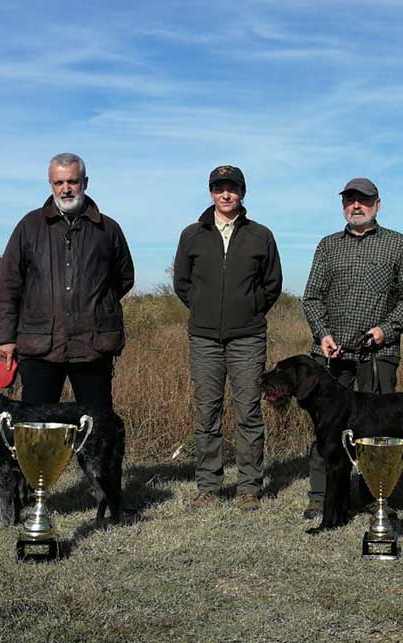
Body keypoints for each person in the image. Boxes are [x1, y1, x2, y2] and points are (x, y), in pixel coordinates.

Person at [301, 177, 403, 520]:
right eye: (350, 200)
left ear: (377, 205)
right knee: (326, 429)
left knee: (379, 431)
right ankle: (320, 495)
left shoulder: (396, 244)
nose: (357, 206)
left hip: (377, 353)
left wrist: (387, 329)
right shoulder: (327, 245)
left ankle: (374, 495)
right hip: (331, 355)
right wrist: (322, 334)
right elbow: (311, 297)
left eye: (364, 200)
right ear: (343, 205)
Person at [173, 165, 283, 512]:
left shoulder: (260, 235)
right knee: (207, 413)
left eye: (232, 188)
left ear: (242, 193)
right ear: (210, 193)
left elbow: (272, 284)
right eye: (219, 188)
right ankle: (208, 486)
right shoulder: (192, 234)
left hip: (247, 337)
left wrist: (249, 310)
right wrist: (204, 309)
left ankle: (249, 486)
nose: (226, 194)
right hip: (204, 337)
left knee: (248, 411)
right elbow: (182, 283)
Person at [0, 152, 134, 410]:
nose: (66, 189)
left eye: (72, 181)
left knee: (94, 425)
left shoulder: (108, 229)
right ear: (50, 184)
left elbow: (124, 278)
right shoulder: (29, 226)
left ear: (85, 182)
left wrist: (98, 304)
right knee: (37, 427)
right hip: (40, 347)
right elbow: (9, 284)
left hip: (92, 347)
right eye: (59, 183)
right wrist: (4, 338)